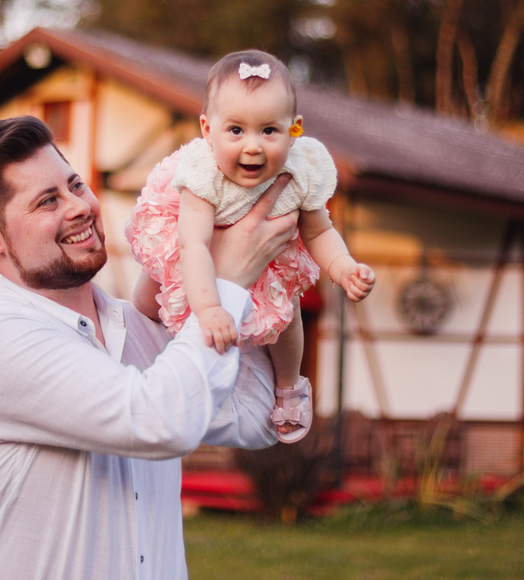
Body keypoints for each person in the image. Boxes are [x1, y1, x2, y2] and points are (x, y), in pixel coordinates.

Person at [0, 115, 298, 580]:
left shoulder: (139, 327)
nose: (79, 207)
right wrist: (227, 279)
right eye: (48, 201)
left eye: (75, 185)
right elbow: (156, 420)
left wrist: (241, 252)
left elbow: (256, 417)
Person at [125, 50, 375, 443]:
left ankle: (289, 386)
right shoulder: (203, 172)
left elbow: (319, 231)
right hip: (194, 249)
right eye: (236, 130)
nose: (253, 146)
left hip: (269, 260)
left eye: (269, 131)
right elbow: (193, 245)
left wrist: (344, 268)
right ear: (208, 129)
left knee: (288, 310)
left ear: (294, 129)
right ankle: (144, 355)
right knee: (148, 296)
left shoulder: (303, 168)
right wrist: (208, 308)